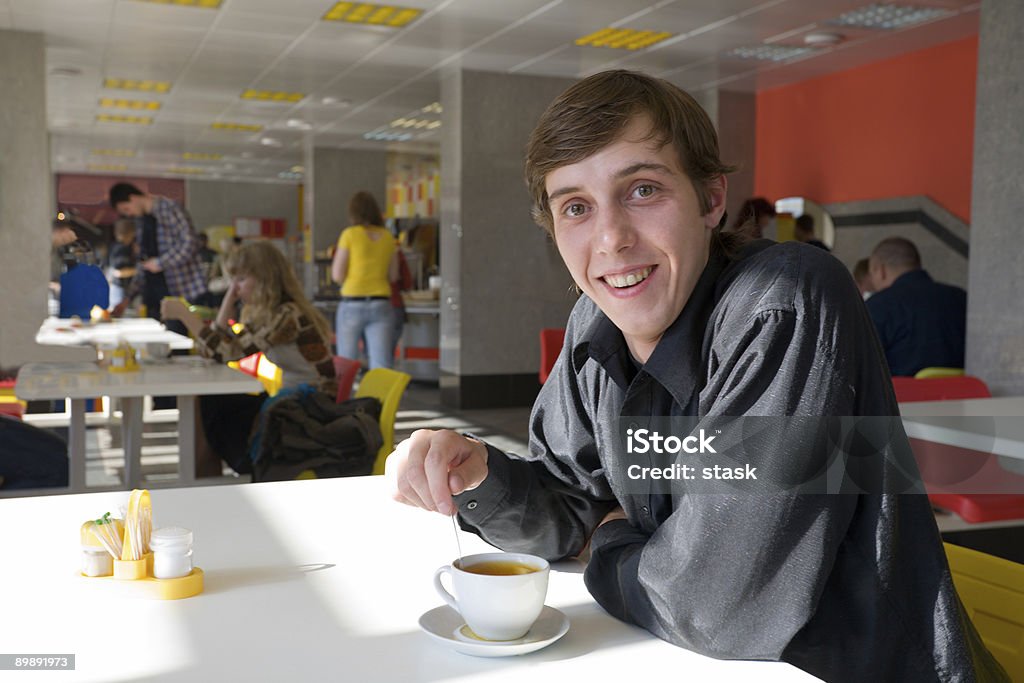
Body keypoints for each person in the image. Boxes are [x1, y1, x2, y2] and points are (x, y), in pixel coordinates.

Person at [385, 70, 1007, 682]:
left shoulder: (785, 301)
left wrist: (607, 540)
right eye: (576, 207)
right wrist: (480, 474)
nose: (611, 239)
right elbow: (568, 502)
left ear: (712, 199)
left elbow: (720, 607)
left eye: (643, 190)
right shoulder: (592, 324)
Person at [161, 241, 336, 477]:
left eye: (241, 280)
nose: (235, 288)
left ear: (264, 279)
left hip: (306, 411)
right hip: (291, 403)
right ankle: (202, 479)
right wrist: (227, 303)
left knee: (212, 407)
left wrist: (184, 313)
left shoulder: (286, 316)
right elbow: (217, 350)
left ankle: (204, 479)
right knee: (211, 404)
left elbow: (223, 353)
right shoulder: (272, 312)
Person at [108, 183, 212, 321]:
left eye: (127, 209)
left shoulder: (169, 209)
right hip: (154, 299)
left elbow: (191, 243)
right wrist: (128, 298)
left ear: (133, 198)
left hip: (181, 292)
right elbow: (143, 263)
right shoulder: (141, 222)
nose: (129, 214)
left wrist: (161, 262)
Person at [866, 237, 967, 377]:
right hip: (967, 395)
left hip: (904, 396)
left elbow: (863, 366)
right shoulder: (961, 298)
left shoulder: (878, 305)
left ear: (880, 270)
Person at [332, 191, 399, 369]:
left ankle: (345, 397)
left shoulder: (350, 235)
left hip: (352, 303)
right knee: (381, 363)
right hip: (381, 303)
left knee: (346, 362)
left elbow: (337, 275)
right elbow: (393, 276)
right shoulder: (388, 238)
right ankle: (380, 397)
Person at [107, 218, 138, 308]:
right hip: (120, 289)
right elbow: (119, 272)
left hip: (116, 288)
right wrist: (140, 270)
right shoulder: (122, 249)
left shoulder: (114, 246)